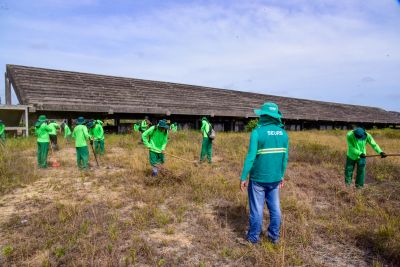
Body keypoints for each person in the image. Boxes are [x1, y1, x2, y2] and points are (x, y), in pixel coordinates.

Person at [240, 102, 289, 244]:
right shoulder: (284, 134)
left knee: (257, 210)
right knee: (275, 209)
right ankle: (274, 236)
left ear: (264, 116)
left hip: (258, 179)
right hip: (275, 179)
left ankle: (253, 238)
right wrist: (281, 175)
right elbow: (285, 158)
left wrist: (243, 177)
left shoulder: (257, 132)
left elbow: (250, 157)